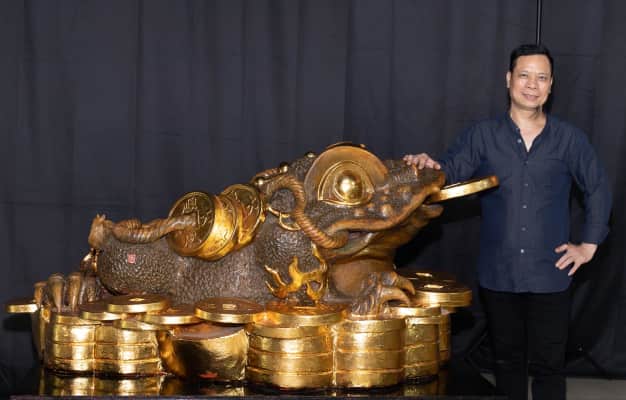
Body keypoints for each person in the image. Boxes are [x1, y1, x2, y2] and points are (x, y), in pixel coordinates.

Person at [404, 43, 612, 400]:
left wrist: (589, 245)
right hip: (499, 272)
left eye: (541, 78)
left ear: (551, 85)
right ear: (508, 79)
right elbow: (449, 172)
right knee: (507, 363)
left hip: (551, 273)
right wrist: (426, 166)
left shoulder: (569, 139)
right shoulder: (482, 135)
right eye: (524, 75)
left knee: (549, 366)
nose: (532, 85)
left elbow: (597, 188)